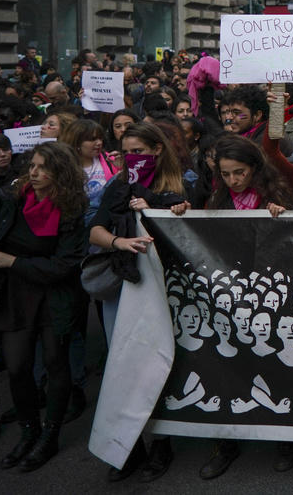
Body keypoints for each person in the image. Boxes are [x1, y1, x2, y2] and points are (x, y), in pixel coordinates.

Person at [87, 122, 188, 482]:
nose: (133, 159)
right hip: (126, 285)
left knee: (158, 365)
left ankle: (161, 443)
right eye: (127, 153)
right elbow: (97, 230)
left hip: (168, 288)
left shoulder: (179, 185)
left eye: (140, 153)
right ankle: (127, 448)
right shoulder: (120, 186)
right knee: (126, 363)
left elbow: (193, 233)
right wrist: (119, 243)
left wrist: (167, 210)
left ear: (157, 151)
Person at [0, 142, 87, 472]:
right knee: (16, 367)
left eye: (43, 168)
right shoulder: (12, 199)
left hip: (55, 296)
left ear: (60, 173)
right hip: (16, 295)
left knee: (56, 364)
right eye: (33, 166)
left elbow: (63, 266)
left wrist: (14, 262)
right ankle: (29, 432)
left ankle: (49, 437)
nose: (35, 173)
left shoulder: (71, 209)